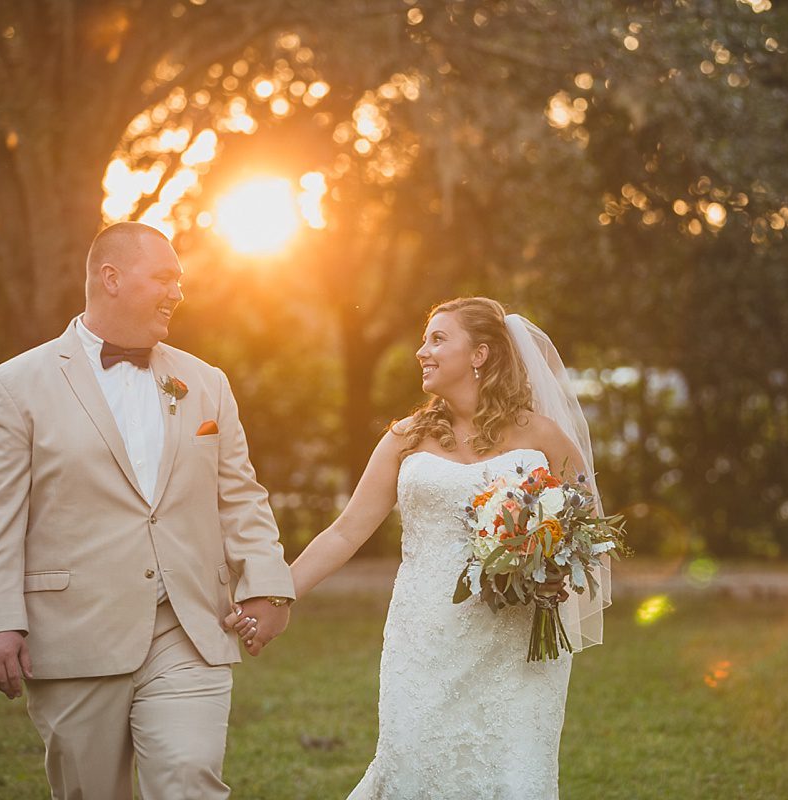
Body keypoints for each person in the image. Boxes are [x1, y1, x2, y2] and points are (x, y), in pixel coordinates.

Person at [0, 221, 295, 800]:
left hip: (189, 626)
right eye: (165, 277)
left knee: (190, 777)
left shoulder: (207, 383)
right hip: (75, 632)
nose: (178, 292)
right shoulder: (13, 386)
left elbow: (240, 493)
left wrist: (265, 582)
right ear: (110, 278)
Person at [229, 296, 611, 798]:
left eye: (437, 339)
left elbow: (586, 529)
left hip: (514, 647)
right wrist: (278, 594)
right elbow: (345, 532)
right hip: (424, 638)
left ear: (480, 354)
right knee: (413, 765)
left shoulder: (541, 436)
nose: (420, 352)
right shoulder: (405, 439)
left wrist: (552, 569)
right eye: (423, 339)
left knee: (512, 774)